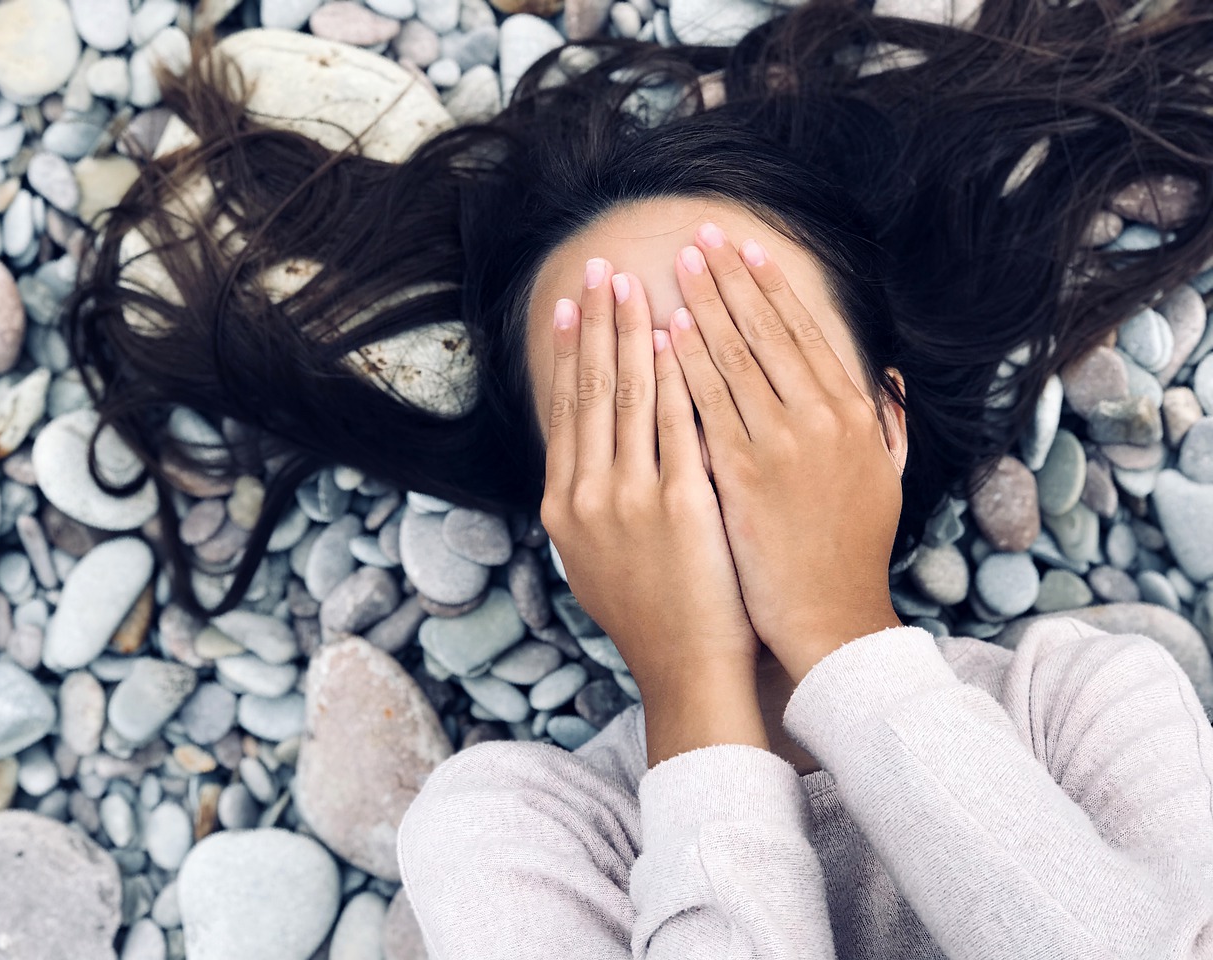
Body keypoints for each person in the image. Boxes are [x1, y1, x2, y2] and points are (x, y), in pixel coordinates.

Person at [62, 0, 1213, 955]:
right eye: (624, 416)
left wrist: (837, 634)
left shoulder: (1083, 702)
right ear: (569, 525)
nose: (707, 443)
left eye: (759, 369)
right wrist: (693, 691)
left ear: (884, 424)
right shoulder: (519, 832)